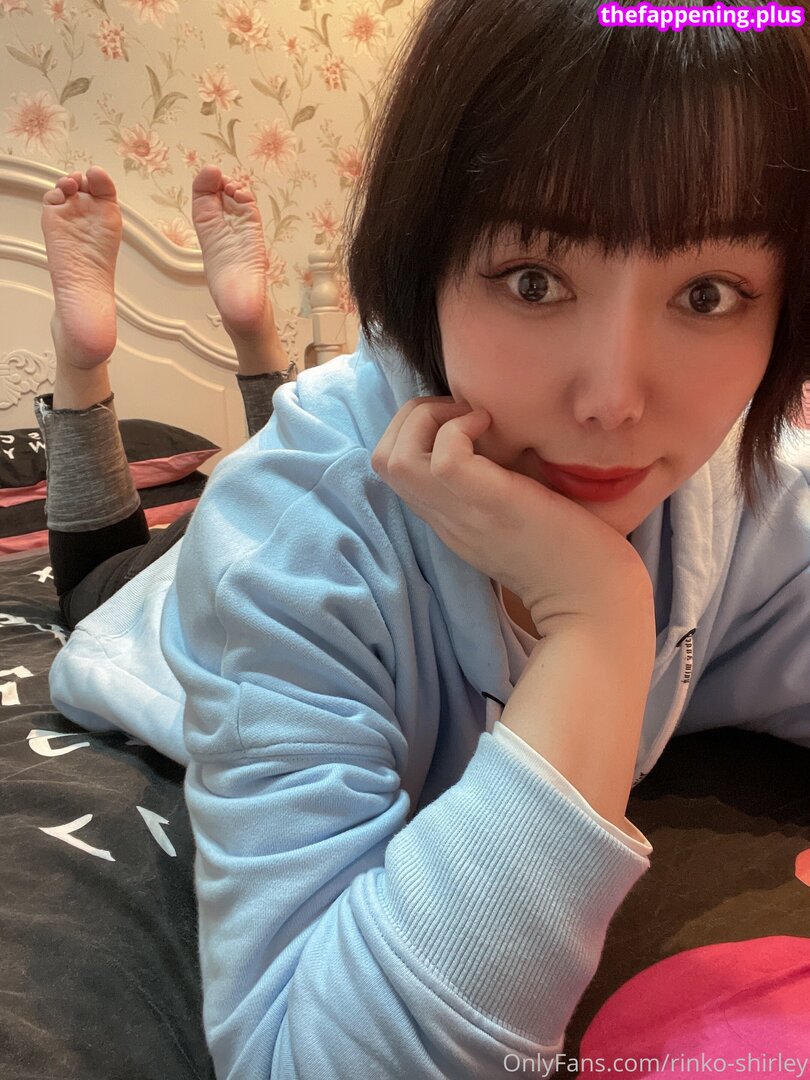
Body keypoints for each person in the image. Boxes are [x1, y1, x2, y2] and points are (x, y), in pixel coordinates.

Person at [44, 0, 808, 1076]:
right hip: (161, 608)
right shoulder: (288, 541)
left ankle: (257, 335)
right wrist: (597, 623)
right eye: (534, 280)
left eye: (708, 292)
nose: (612, 402)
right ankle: (87, 366)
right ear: (422, 266)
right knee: (98, 574)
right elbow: (311, 1059)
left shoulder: (746, 488)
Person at [35, 163, 296, 630]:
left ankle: (80, 365)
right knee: (299, 500)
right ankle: (256, 336)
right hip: (271, 541)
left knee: (93, 578)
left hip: (153, 574)